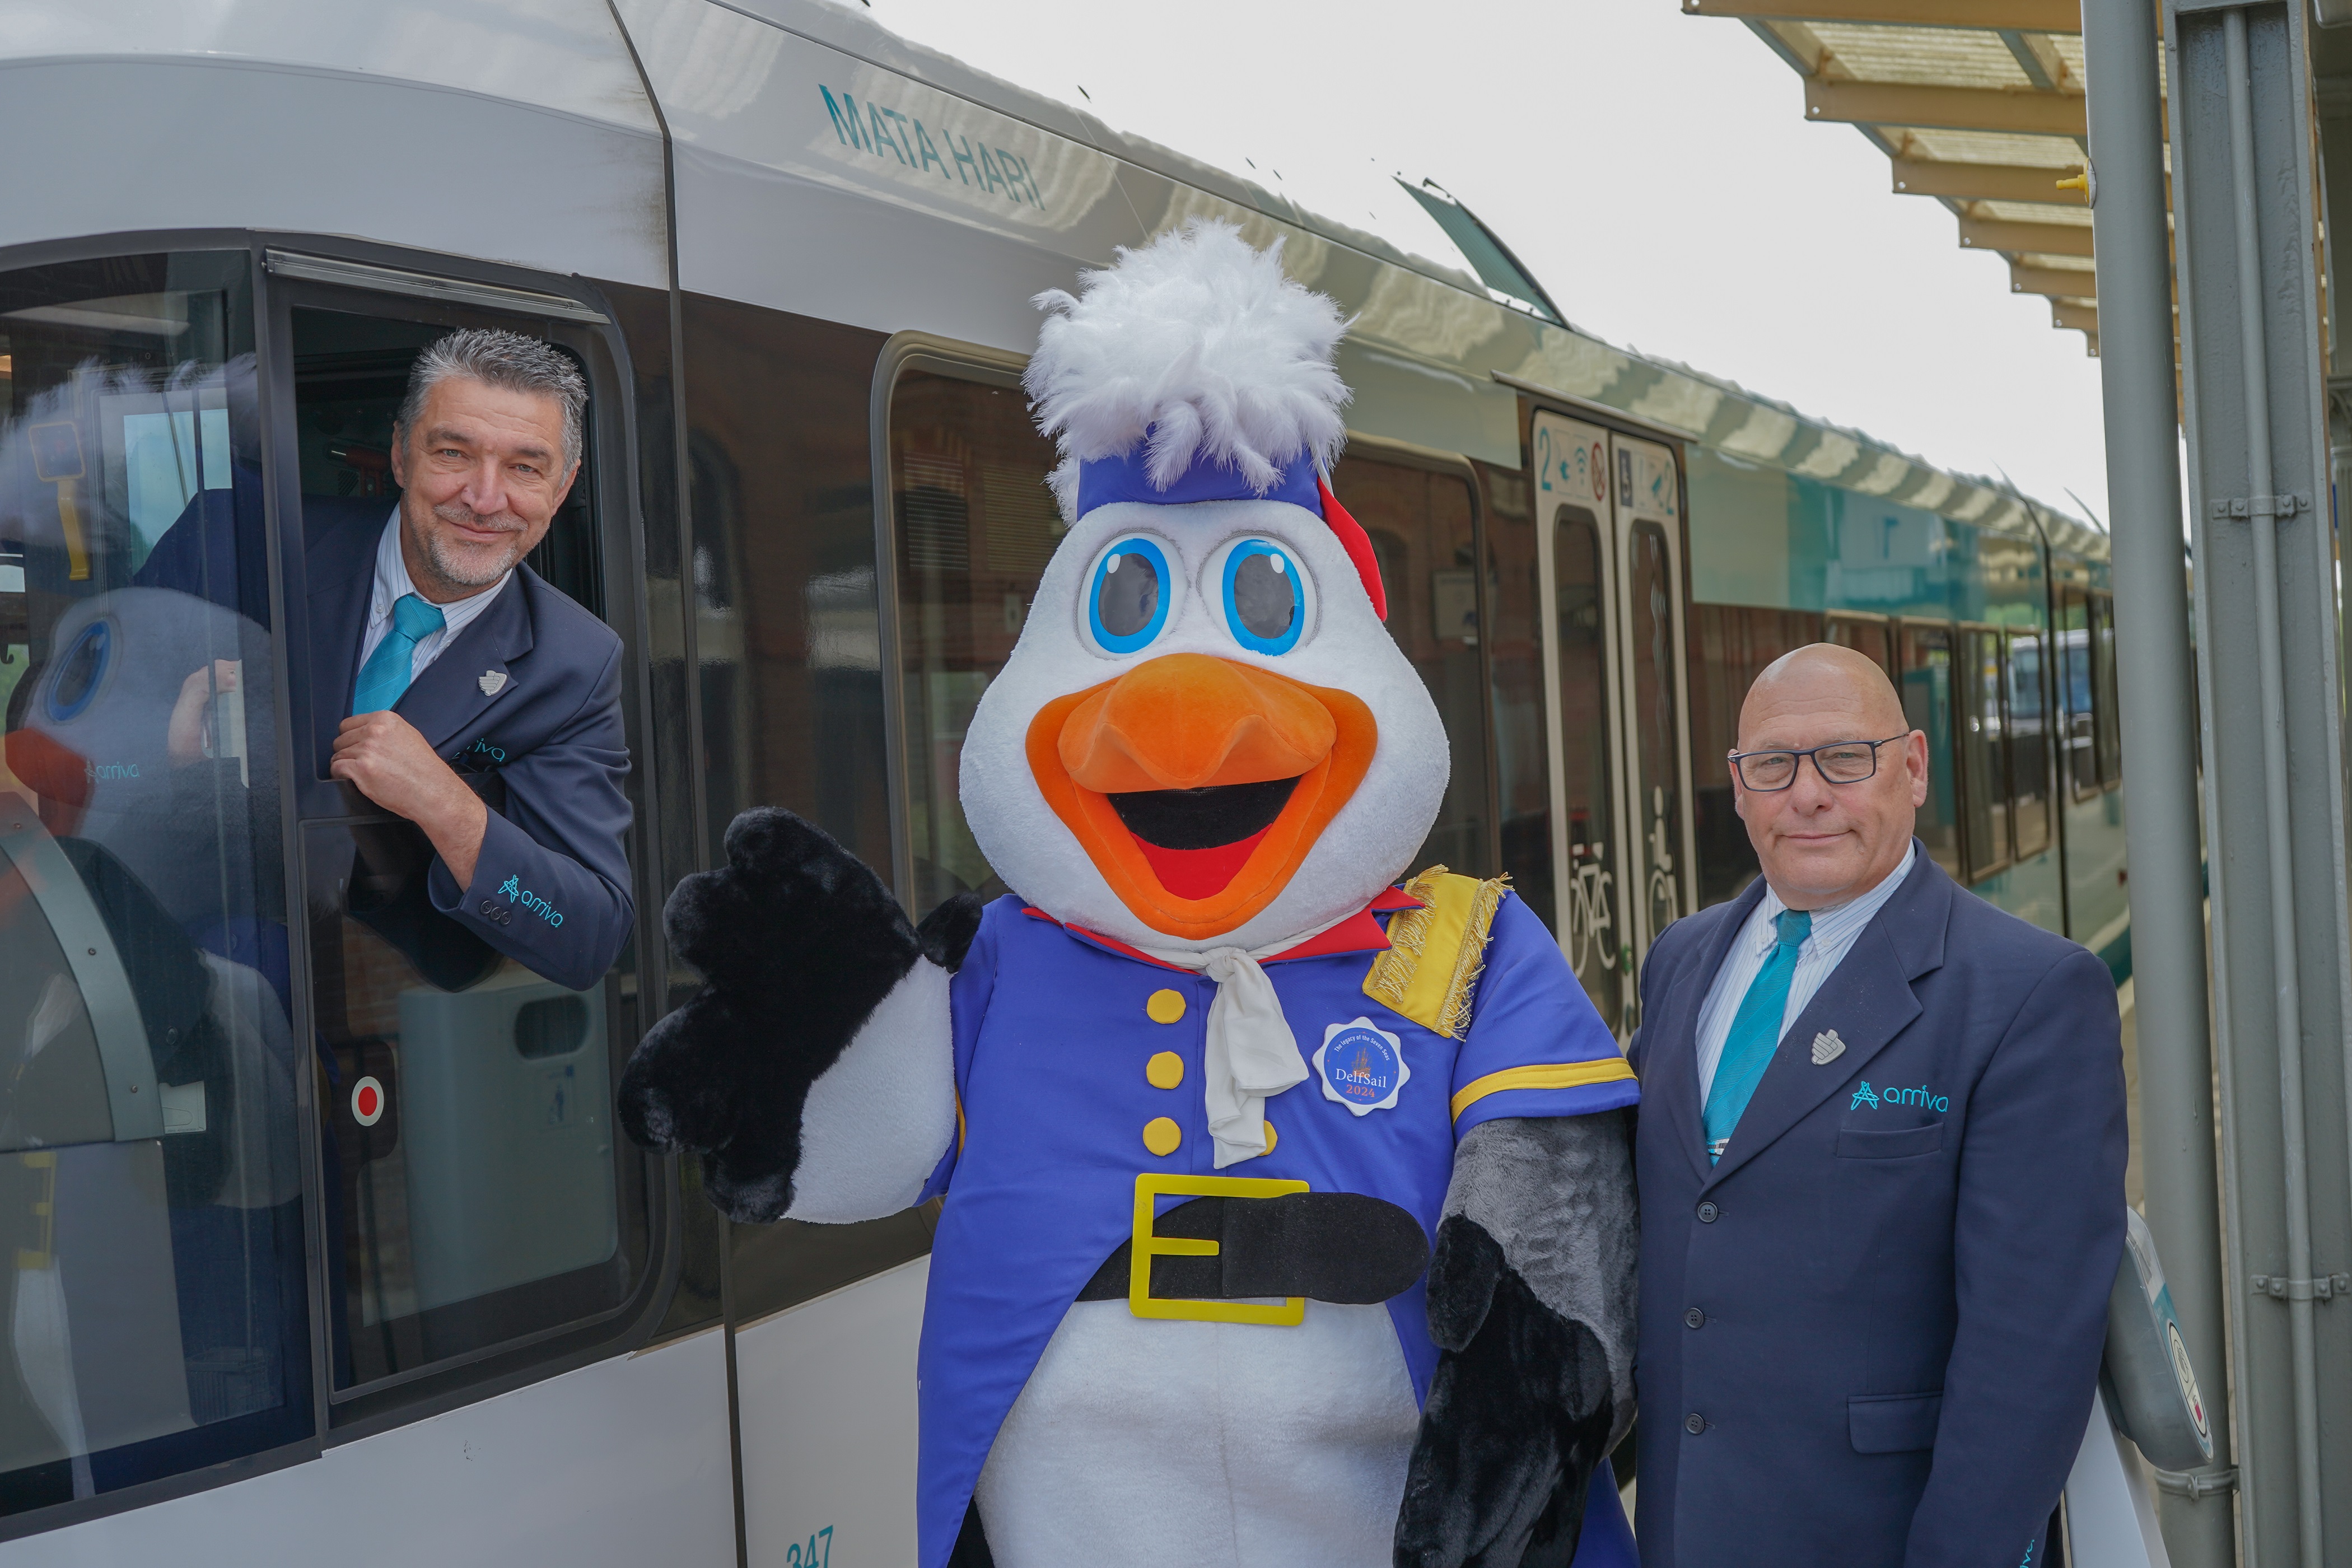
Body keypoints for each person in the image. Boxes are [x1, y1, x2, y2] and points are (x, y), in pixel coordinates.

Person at [1625, 642, 2125, 1567]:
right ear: (1737, 788)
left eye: (1845, 759)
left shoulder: (2030, 993)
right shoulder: (1681, 961)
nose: (1807, 795)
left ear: (1915, 768)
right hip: (1684, 1530)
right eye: (1773, 765)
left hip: (1878, 1537)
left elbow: (2029, 1359)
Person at [284, 328, 630, 992]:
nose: (484, 497)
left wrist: (448, 806)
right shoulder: (247, 538)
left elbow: (587, 936)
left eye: (526, 468)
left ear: (563, 488)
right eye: (453, 452)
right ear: (400, 453)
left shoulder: (575, 666)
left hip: (365, 1005)